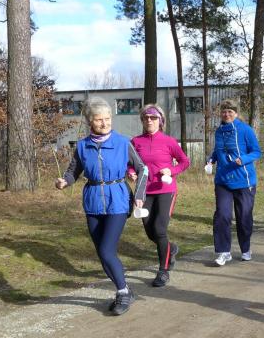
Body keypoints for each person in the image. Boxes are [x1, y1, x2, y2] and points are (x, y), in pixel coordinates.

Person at [55, 97, 147, 316]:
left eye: (107, 119)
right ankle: (125, 289)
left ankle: (123, 292)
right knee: (102, 252)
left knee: (106, 250)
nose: (105, 123)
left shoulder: (123, 143)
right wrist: (64, 182)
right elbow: (73, 171)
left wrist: (140, 195)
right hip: (93, 202)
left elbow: (143, 169)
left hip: (118, 201)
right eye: (99, 120)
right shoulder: (82, 146)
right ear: (90, 121)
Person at [128, 104, 190, 287]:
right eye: (146, 117)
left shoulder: (169, 141)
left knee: (160, 229)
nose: (149, 120)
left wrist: (171, 171)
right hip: (144, 191)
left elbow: (185, 161)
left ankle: (163, 271)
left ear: (160, 121)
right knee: (150, 232)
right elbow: (129, 163)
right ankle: (171, 248)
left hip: (166, 191)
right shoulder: (135, 142)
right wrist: (130, 172)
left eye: (153, 117)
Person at [205, 100, 262, 266]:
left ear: (236, 113)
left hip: (244, 180)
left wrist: (243, 159)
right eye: (224, 111)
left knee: (244, 217)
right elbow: (218, 150)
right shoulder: (219, 131)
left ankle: (245, 248)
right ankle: (223, 252)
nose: (226, 114)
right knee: (222, 215)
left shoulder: (245, 130)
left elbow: (256, 152)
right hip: (223, 180)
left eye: (230, 111)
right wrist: (211, 160)